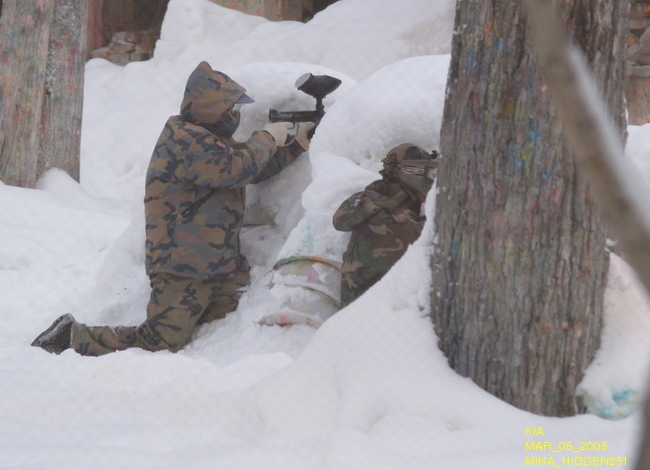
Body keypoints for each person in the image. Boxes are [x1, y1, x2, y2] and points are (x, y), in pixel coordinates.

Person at [32, 61, 314, 356]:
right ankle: (71, 336)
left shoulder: (209, 142)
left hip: (216, 263)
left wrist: (296, 147)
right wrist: (268, 136)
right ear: (210, 110)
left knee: (224, 323)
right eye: (230, 110)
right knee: (162, 341)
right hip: (182, 264)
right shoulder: (183, 141)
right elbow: (236, 169)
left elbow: (251, 169)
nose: (235, 116)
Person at [332, 143, 438, 307]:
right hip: (375, 318)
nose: (432, 182)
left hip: (356, 310)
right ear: (412, 174)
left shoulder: (366, 200)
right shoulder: (399, 222)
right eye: (429, 174)